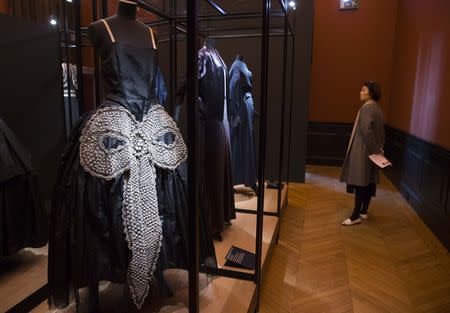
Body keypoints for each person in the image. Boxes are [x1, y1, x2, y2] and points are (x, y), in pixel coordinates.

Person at [340, 81, 385, 226]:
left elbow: (366, 131)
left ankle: (355, 216)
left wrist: (374, 150)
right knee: (369, 180)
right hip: (373, 151)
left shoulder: (366, 108)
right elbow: (380, 133)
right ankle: (364, 211)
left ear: (370, 93)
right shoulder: (378, 109)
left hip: (364, 151)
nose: (360, 92)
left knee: (360, 182)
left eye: (363, 90)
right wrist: (378, 151)